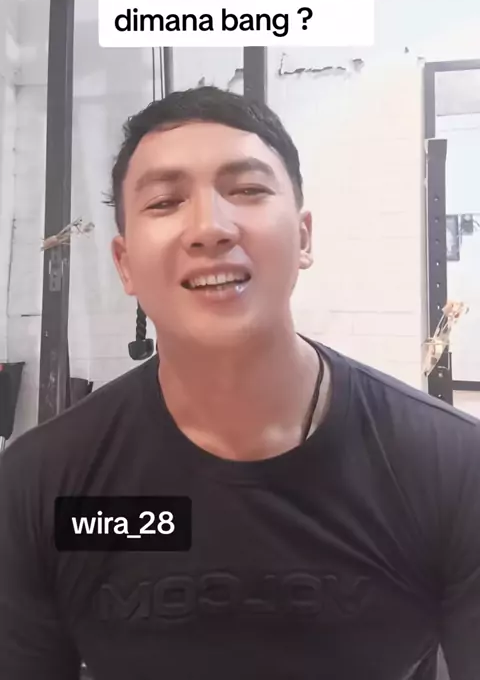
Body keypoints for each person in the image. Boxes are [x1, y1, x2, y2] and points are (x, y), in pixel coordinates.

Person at [0, 85, 478, 680]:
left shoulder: (453, 467)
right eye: (165, 201)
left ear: (303, 237)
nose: (209, 228)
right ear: (124, 264)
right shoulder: (43, 486)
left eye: (248, 190)